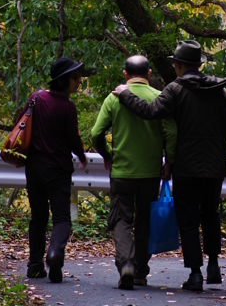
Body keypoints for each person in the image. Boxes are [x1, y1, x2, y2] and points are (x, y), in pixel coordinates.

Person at [113, 39, 226, 293]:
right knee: (210, 214)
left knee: (188, 219)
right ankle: (214, 265)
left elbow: (150, 111)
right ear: (199, 64)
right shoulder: (221, 91)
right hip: (214, 166)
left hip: (186, 166)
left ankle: (195, 274)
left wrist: (126, 94)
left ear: (179, 65)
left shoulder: (175, 90)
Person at [91, 54, 177, 290]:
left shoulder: (113, 98)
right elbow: (171, 134)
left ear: (125, 75)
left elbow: (95, 134)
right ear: (149, 74)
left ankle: (126, 263)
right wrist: (168, 161)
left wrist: (107, 154)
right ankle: (139, 270)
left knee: (121, 219)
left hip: (122, 172)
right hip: (150, 173)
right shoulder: (160, 98)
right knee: (145, 220)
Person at [24, 57, 87, 283]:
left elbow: (20, 123)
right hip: (58, 170)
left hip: (33, 168)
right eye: (75, 78)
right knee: (61, 219)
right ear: (63, 81)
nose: (79, 81)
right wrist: (81, 156)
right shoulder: (67, 108)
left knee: (38, 217)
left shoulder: (36, 98)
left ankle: (34, 265)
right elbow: (73, 139)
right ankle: (54, 255)